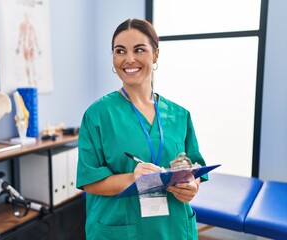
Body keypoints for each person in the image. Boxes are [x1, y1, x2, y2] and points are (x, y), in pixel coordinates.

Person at [76, 18, 207, 240]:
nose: (129, 59)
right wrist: (132, 178)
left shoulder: (179, 115)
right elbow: (90, 182)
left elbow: (194, 169)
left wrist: (192, 186)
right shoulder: (97, 115)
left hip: (173, 228)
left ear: (155, 55)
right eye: (120, 51)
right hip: (120, 229)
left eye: (139, 49)